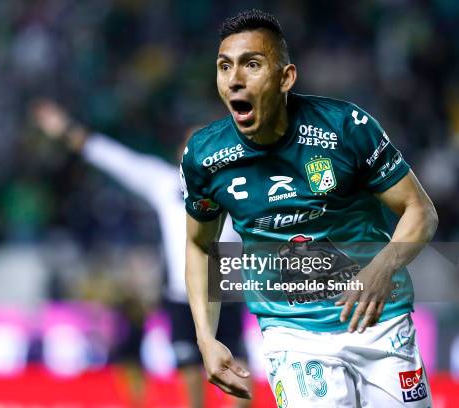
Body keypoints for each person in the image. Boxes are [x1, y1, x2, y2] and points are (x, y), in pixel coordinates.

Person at [181, 9, 437, 407]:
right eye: (224, 66)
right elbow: (201, 246)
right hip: (292, 335)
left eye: (251, 64)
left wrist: (382, 267)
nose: (235, 80)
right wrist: (205, 338)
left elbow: (420, 212)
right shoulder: (205, 155)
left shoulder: (346, 127)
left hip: (379, 323)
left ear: (286, 78)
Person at [33, 101, 252, 407]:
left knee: (236, 370)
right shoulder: (165, 182)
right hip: (181, 292)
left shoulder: (239, 187)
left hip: (224, 286)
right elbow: (114, 158)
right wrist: (66, 129)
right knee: (188, 371)